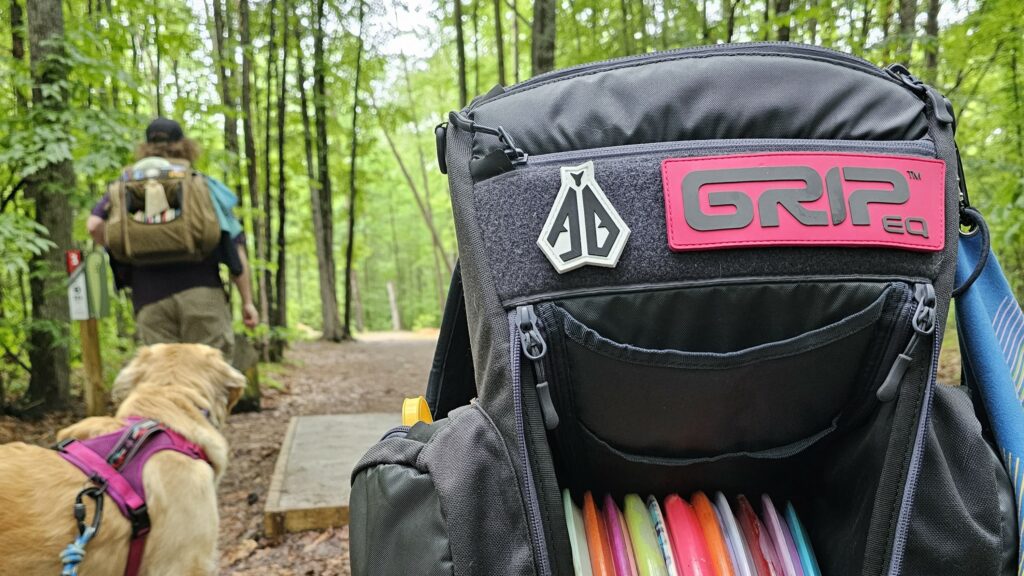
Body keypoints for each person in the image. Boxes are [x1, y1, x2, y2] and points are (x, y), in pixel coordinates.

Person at [87, 118, 258, 360]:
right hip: (202, 294)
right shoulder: (199, 182)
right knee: (209, 378)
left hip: (149, 298)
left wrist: (123, 250)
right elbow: (233, 244)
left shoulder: (127, 185)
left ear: (145, 147)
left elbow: (94, 225)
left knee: (165, 382)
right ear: (184, 145)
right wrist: (247, 301)